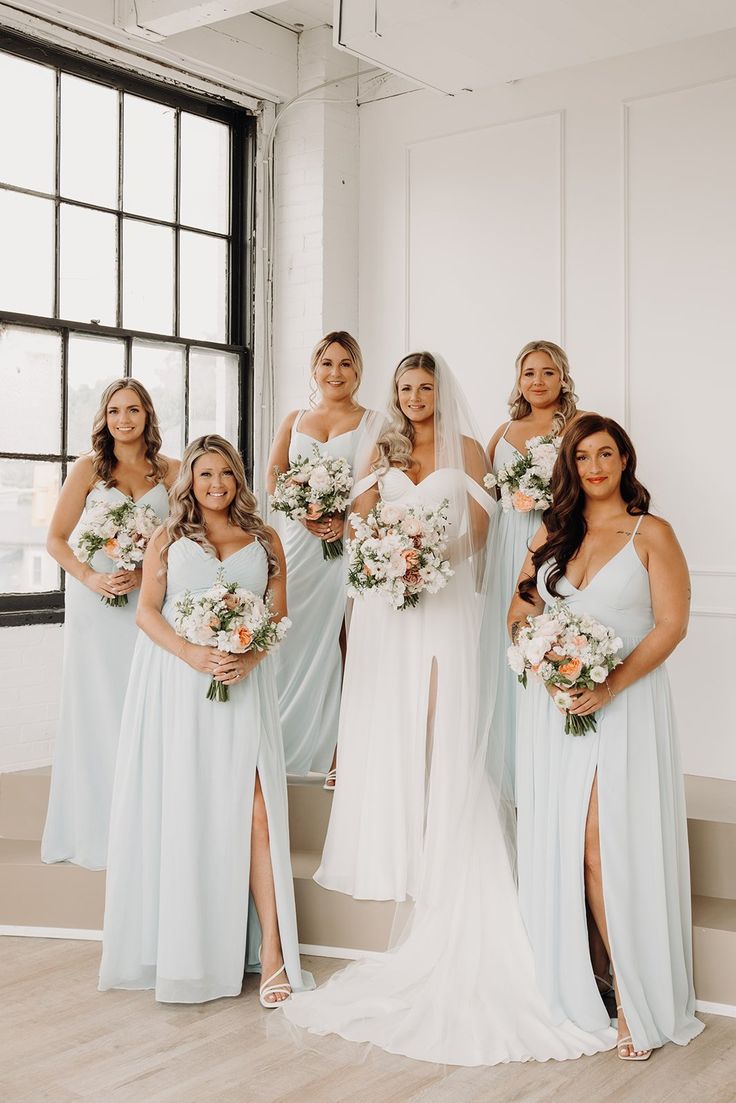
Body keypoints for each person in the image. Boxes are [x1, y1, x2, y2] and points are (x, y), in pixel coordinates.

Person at [282, 355, 616, 1065]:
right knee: (390, 724)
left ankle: (445, 840)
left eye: (424, 386)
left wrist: (424, 557)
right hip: (384, 609)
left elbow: (479, 528)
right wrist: (385, 558)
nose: (413, 397)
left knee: (442, 727)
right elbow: (361, 521)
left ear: (441, 392)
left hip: (440, 601)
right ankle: (396, 841)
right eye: (404, 387)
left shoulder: (468, 446)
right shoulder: (382, 447)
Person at [509, 413, 704, 1060]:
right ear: (570, 465)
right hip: (557, 709)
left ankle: (633, 996)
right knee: (567, 843)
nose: (594, 466)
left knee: (605, 845)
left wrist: (608, 683)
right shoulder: (551, 533)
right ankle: (584, 982)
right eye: (582, 456)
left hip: (626, 706)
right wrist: (547, 662)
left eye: (605, 453)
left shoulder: (654, 534)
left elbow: (670, 626)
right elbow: (518, 614)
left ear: (625, 460)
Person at [99, 435, 312, 1005]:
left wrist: (249, 654)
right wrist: (193, 655)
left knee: (258, 812)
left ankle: (273, 953)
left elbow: (279, 615)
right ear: (188, 482)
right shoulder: (168, 537)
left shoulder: (265, 538)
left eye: (225, 474)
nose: (216, 485)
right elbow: (146, 612)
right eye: (205, 475)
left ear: (239, 478)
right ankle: (190, 950)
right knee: (188, 810)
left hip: (244, 687)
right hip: (180, 688)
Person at [42, 379, 176, 870]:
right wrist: (91, 578)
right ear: (104, 417)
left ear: (147, 415)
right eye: (115, 410)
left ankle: (146, 828)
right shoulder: (87, 471)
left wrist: (147, 571)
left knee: (145, 706)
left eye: (134, 410)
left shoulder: (173, 471)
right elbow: (56, 539)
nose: (124, 419)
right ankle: (95, 828)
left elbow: (186, 539)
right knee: (97, 708)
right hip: (94, 607)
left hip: (148, 605)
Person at [266, 332, 376, 785]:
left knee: (343, 641)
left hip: (344, 546)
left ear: (358, 370)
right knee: (287, 638)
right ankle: (278, 743)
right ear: (314, 368)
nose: (336, 373)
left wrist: (342, 521)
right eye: (327, 363)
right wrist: (303, 508)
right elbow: (274, 478)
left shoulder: (374, 422)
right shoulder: (294, 418)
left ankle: (337, 754)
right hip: (296, 543)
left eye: (346, 364)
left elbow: (375, 487)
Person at [486, 340, 581, 792]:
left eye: (547, 372)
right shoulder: (503, 431)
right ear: (518, 379)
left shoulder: (578, 425)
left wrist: (549, 500)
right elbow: (486, 500)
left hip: (558, 546)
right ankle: (509, 762)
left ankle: (553, 761)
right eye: (529, 373)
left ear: (563, 377)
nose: (538, 382)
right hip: (506, 546)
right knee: (507, 647)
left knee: (549, 642)